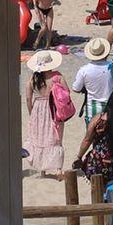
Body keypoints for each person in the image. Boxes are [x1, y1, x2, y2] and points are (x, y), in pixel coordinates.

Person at [25, 51, 69, 179]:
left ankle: (42, 170)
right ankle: (58, 169)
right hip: (54, 107)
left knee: (40, 137)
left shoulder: (32, 79)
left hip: (38, 109)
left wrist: (31, 112)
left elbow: (28, 99)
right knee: (56, 138)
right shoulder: (57, 76)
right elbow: (67, 92)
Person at [72, 38, 113, 122]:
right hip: (112, 106)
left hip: (92, 108)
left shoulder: (84, 70)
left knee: (92, 130)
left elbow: (76, 89)